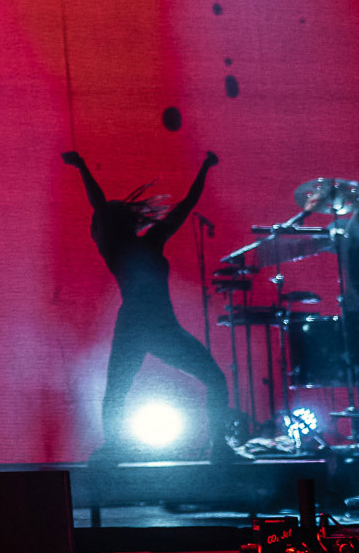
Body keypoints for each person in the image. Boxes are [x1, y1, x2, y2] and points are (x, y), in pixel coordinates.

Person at [63, 150, 238, 462]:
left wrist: (204, 170)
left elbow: (185, 207)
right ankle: (115, 448)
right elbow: (99, 203)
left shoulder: (145, 242)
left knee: (122, 388)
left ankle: (218, 448)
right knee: (120, 387)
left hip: (152, 325)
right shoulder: (118, 249)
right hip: (147, 325)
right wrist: (82, 167)